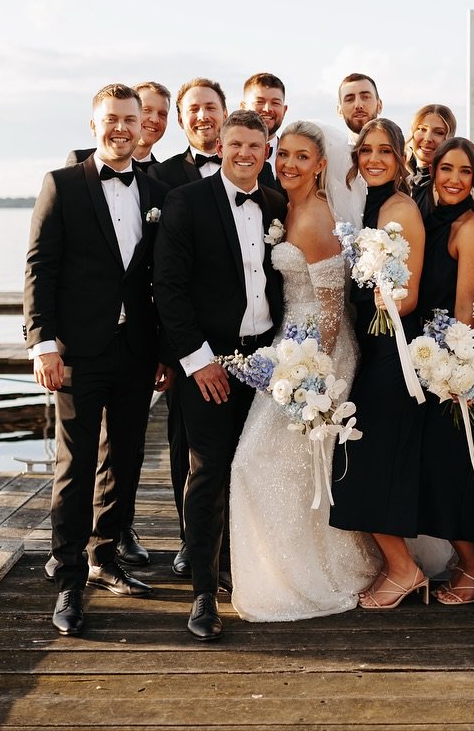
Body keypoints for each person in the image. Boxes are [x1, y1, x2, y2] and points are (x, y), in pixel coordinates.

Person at [23, 83, 172, 635]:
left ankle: (105, 557)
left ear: (142, 127)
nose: (122, 129)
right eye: (111, 119)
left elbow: (160, 278)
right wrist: (43, 343)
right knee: (75, 465)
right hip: (77, 354)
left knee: (126, 459)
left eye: (131, 120)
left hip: (137, 354)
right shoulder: (61, 185)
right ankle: (66, 580)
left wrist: (162, 351)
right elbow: (40, 267)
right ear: (94, 126)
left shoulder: (157, 190)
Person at [228, 121, 379, 621]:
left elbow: (333, 315)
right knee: (276, 467)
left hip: (318, 358)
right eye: (284, 154)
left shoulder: (316, 218)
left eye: (301, 157)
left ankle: (311, 573)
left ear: (320, 165)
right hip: (289, 344)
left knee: (265, 463)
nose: (288, 164)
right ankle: (279, 570)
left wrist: (310, 379)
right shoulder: (282, 206)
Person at [154, 110, 288, 641]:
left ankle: (242, 573)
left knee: (251, 468)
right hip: (206, 360)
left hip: (265, 361)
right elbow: (169, 287)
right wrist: (197, 359)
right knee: (207, 472)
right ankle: (203, 595)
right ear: (221, 145)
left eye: (256, 145)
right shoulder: (187, 201)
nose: (245, 154)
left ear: (266, 150)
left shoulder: (276, 203)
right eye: (235, 144)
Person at [327, 118, 431, 610]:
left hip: (394, 351)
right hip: (368, 344)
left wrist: (380, 289)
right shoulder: (363, 205)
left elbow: (409, 299)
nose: (372, 158)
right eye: (365, 150)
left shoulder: (400, 208)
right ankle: (399, 566)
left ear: (400, 158)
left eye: (384, 152)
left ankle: (404, 568)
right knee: (365, 458)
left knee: (369, 461)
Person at [147, 77, 234, 577]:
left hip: (245, 339)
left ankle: (231, 542)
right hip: (181, 340)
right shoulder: (159, 178)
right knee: (185, 443)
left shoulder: (258, 175)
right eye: (194, 109)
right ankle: (190, 540)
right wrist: (169, 348)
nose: (203, 116)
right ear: (182, 120)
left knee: (231, 448)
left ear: (225, 113)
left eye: (211, 108)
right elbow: (156, 278)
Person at [413, 137, 474, 605]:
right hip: (426, 359)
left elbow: (465, 315)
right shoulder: (426, 217)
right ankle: (463, 560)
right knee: (437, 470)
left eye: (465, 172)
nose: (454, 179)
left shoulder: (470, 229)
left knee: (456, 471)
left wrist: (452, 377)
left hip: (457, 368)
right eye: (447, 168)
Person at [324, 72, 383, 226]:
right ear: (339, 110)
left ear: (379, 105)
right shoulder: (328, 161)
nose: (358, 105)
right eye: (349, 99)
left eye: (365, 97)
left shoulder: (398, 156)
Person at [405, 104, 456, 215]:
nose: (428, 139)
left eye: (439, 133)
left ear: (449, 139)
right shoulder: (400, 178)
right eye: (422, 129)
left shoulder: (448, 187)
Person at [240, 72, 289, 165]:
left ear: (284, 110)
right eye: (259, 102)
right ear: (243, 107)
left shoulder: (294, 159)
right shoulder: (225, 153)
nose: (267, 109)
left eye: (275, 103)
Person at [132, 81, 171, 167]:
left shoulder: (166, 177)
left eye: (162, 114)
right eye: (146, 110)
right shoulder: (96, 162)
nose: (155, 119)